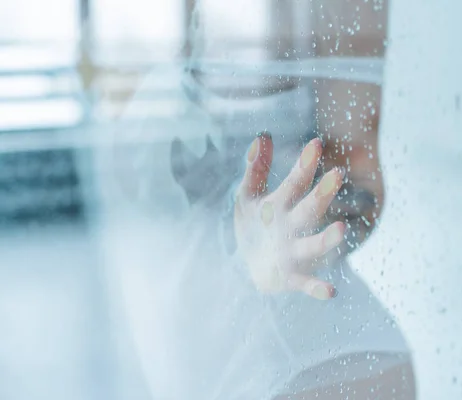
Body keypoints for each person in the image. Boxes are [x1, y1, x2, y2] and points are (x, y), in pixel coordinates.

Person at [98, 0, 416, 399]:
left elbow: (360, 178)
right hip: (192, 314)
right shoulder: (141, 43)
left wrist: (289, 233)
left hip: (302, 342)